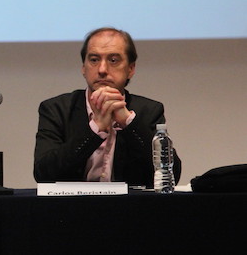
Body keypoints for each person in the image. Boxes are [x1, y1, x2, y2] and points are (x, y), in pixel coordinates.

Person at [34, 27, 181, 187]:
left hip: (130, 208)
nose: (102, 70)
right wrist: (95, 129)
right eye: (94, 60)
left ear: (130, 69)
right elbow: (44, 174)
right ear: (84, 67)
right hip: (73, 207)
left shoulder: (149, 111)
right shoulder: (56, 109)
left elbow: (171, 174)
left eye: (113, 60)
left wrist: (128, 123)